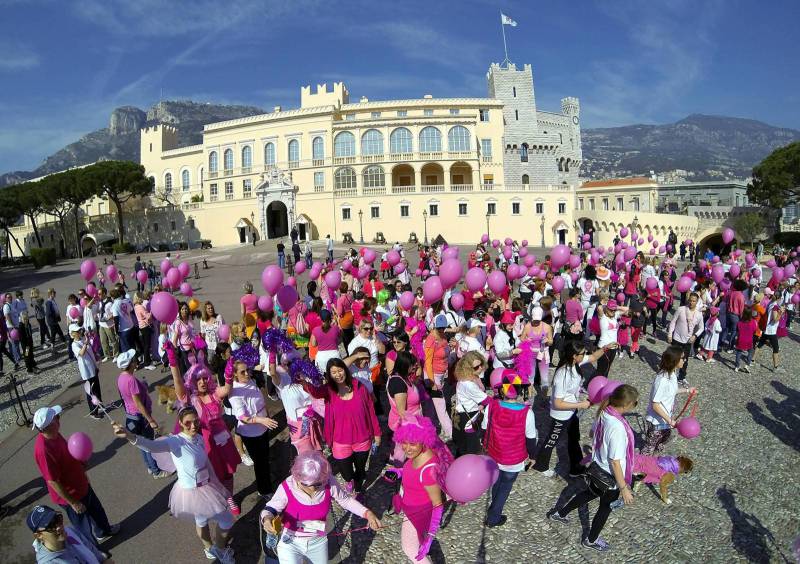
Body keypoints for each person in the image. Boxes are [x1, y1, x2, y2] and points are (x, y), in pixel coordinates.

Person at [112, 408, 235, 564]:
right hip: (190, 492)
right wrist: (129, 436)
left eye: (196, 421)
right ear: (180, 423)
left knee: (201, 520)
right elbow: (151, 446)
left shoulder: (198, 437)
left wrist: (216, 482)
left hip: (206, 487)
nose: (193, 426)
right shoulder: (176, 441)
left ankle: (209, 547)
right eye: (188, 423)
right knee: (226, 520)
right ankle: (219, 549)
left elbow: (206, 462)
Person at [547, 384, 639, 552]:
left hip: (596, 469)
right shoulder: (618, 428)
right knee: (605, 508)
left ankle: (560, 513)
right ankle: (591, 539)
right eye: (636, 403)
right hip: (610, 477)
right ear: (627, 405)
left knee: (588, 493)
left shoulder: (605, 411)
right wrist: (624, 487)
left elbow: (592, 434)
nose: (635, 405)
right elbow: (615, 462)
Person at [260, 450, 381, 564]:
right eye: (306, 484)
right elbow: (271, 508)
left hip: (318, 541)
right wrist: (267, 519)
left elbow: (346, 500)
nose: (313, 488)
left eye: (318, 484)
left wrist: (367, 513)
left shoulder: (327, 481)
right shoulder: (287, 486)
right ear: (297, 477)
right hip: (290, 540)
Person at [166, 339, 242, 515]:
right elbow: (178, 384)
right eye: (198, 379)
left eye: (204, 378)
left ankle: (229, 497)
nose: (202, 382)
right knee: (212, 476)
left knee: (228, 473)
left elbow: (227, 388)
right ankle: (218, 501)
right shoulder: (190, 399)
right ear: (192, 381)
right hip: (206, 443)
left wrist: (229, 371)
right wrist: (173, 362)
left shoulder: (214, 393)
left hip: (223, 440)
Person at [33, 405, 119, 551]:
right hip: (72, 496)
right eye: (57, 418)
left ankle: (104, 530)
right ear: (49, 425)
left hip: (81, 484)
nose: (59, 419)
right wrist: (73, 502)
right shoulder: (43, 450)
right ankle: (95, 552)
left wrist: (81, 464)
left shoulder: (55, 434)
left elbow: (69, 452)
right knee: (83, 526)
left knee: (97, 510)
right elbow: (53, 481)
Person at [533, 341, 608, 478]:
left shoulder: (575, 363)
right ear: (574, 356)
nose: (585, 355)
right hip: (561, 415)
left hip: (571, 412)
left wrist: (606, 348)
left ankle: (575, 468)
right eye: (582, 354)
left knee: (574, 438)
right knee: (552, 440)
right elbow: (557, 403)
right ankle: (541, 465)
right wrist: (580, 405)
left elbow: (593, 357)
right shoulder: (562, 375)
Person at [309, 358, 380, 494]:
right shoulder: (329, 391)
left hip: (362, 439)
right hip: (340, 442)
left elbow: (371, 411)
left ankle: (358, 486)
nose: (338, 374)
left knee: (360, 469)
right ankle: (350, 480)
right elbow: (315, 392)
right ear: (329, 375)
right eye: (333, 372)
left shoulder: (360, 387)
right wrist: (303, 382)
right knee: (346, 472)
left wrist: (377, 434)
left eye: (340, 370)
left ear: (345, 370)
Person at [390, 415, 453, 564]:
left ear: (423, 439)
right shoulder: (419, 452)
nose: (407, 448)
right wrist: (399, 473)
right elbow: (412, 472)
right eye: (403, 443)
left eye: (412, 443)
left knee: (410, 549)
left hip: (417, 513)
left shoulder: (429, 470)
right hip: (410, 507)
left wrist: (430, 538)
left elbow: (438, 505)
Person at [481, 368, 537, 527]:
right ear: (520, 391)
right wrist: (533, 457)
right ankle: (493, 517)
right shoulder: (527, 414)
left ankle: (493, 506)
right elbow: (530, 439)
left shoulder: (491, 407)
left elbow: (484, 430)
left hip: (493, 454)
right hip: (513, 460)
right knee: (505, 487)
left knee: (496, 482)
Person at [116, 349, 170, 478]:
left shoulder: (121, 378)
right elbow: (138, 403)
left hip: (130, 417)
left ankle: (150, 467)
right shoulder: (131, 380)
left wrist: (143, 387)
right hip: (140, 418)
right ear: (130, 363)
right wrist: (150, 419)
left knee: (141, 444)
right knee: (149, 445)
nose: (136, 360)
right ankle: (156, 471)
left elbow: (128, 396)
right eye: (134, 359)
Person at [228, 359, 279, 496]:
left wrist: (266, 416)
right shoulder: (234, 392)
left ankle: (266, 480)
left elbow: (260, 400)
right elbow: (243, 418)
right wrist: (261, 419)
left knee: (264, 457)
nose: (247, 374)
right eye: (242, 372)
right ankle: (264, 490)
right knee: (260, 463)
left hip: (262, 428)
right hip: (251, 433)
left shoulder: (250, 381)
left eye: (247, 370)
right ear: (235, 375)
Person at [641, 346, 696, 455]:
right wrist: (670, 420)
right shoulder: (662, 380)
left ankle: (653, 463)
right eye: (682, 358)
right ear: (674, 360)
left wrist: (687, 390)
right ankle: (639, 469)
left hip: (665, 420)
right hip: (656, 421)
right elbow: (655, 405)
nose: (684, 360)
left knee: (663, 441)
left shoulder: (673, 374)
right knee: (649, 449)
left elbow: (672, 391)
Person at [28, 504, 110, 564]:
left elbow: (89, 546)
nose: (58, 527)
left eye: (57, 519)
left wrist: (102, 560)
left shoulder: (69, 531)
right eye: (50, 526)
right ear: (38, 535)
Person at [452, 352, 489, 456]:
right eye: (476, 367)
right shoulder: (468, 384)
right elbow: (486, 400)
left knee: (465, 446)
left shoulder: (470, 377)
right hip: (468, 417)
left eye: (481, 364)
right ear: (468, 368)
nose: (480, 367)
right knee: (471, 449)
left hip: (466, 415)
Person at [423, 314, 454, 440]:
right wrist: (432, 382)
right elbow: (427, 361)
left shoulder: (443, 337)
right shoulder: (431, 340)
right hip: (433, 376)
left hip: (440, 375)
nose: (442, 330)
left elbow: (445, 354)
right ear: (435, 326)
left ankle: (429, 428)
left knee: (431, 404)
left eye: (443, 328)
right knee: (441, 406)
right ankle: (451, 433)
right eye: (439, 328)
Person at [667, 292, 704, 387]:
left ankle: (681, 377)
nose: (691, 302)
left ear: (697, 302)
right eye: (690, 300)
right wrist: (670, 334)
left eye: (694, 301)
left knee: (685, 360)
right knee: (673, 358)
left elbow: (701, 328)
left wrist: (695, 336)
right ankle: (670, 374)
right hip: (676, 338)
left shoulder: (699, 314)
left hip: (687, 341)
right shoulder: (681, 309)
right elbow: (673, 322)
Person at [70, 324, 102, 419]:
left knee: (97, 389)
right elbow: (81, 353)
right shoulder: (74, 344)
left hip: (93, 367)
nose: (79, 332)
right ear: (72, 334)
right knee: (91, 391)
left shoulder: (83, 339)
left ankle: (98, 405)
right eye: (77, 331)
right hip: (86, 372)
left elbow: (92, 349)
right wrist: (85, 343)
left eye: (79, 330)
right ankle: (93, 411)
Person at [133, 292, 156, 369]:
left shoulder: (136, 306)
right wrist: (152, 311)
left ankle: (148, 360)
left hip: (141, 326)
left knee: (146, 344)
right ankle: (147, 363)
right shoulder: (140, 307)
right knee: (147, 345)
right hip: (145, 326)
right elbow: (148, 316)